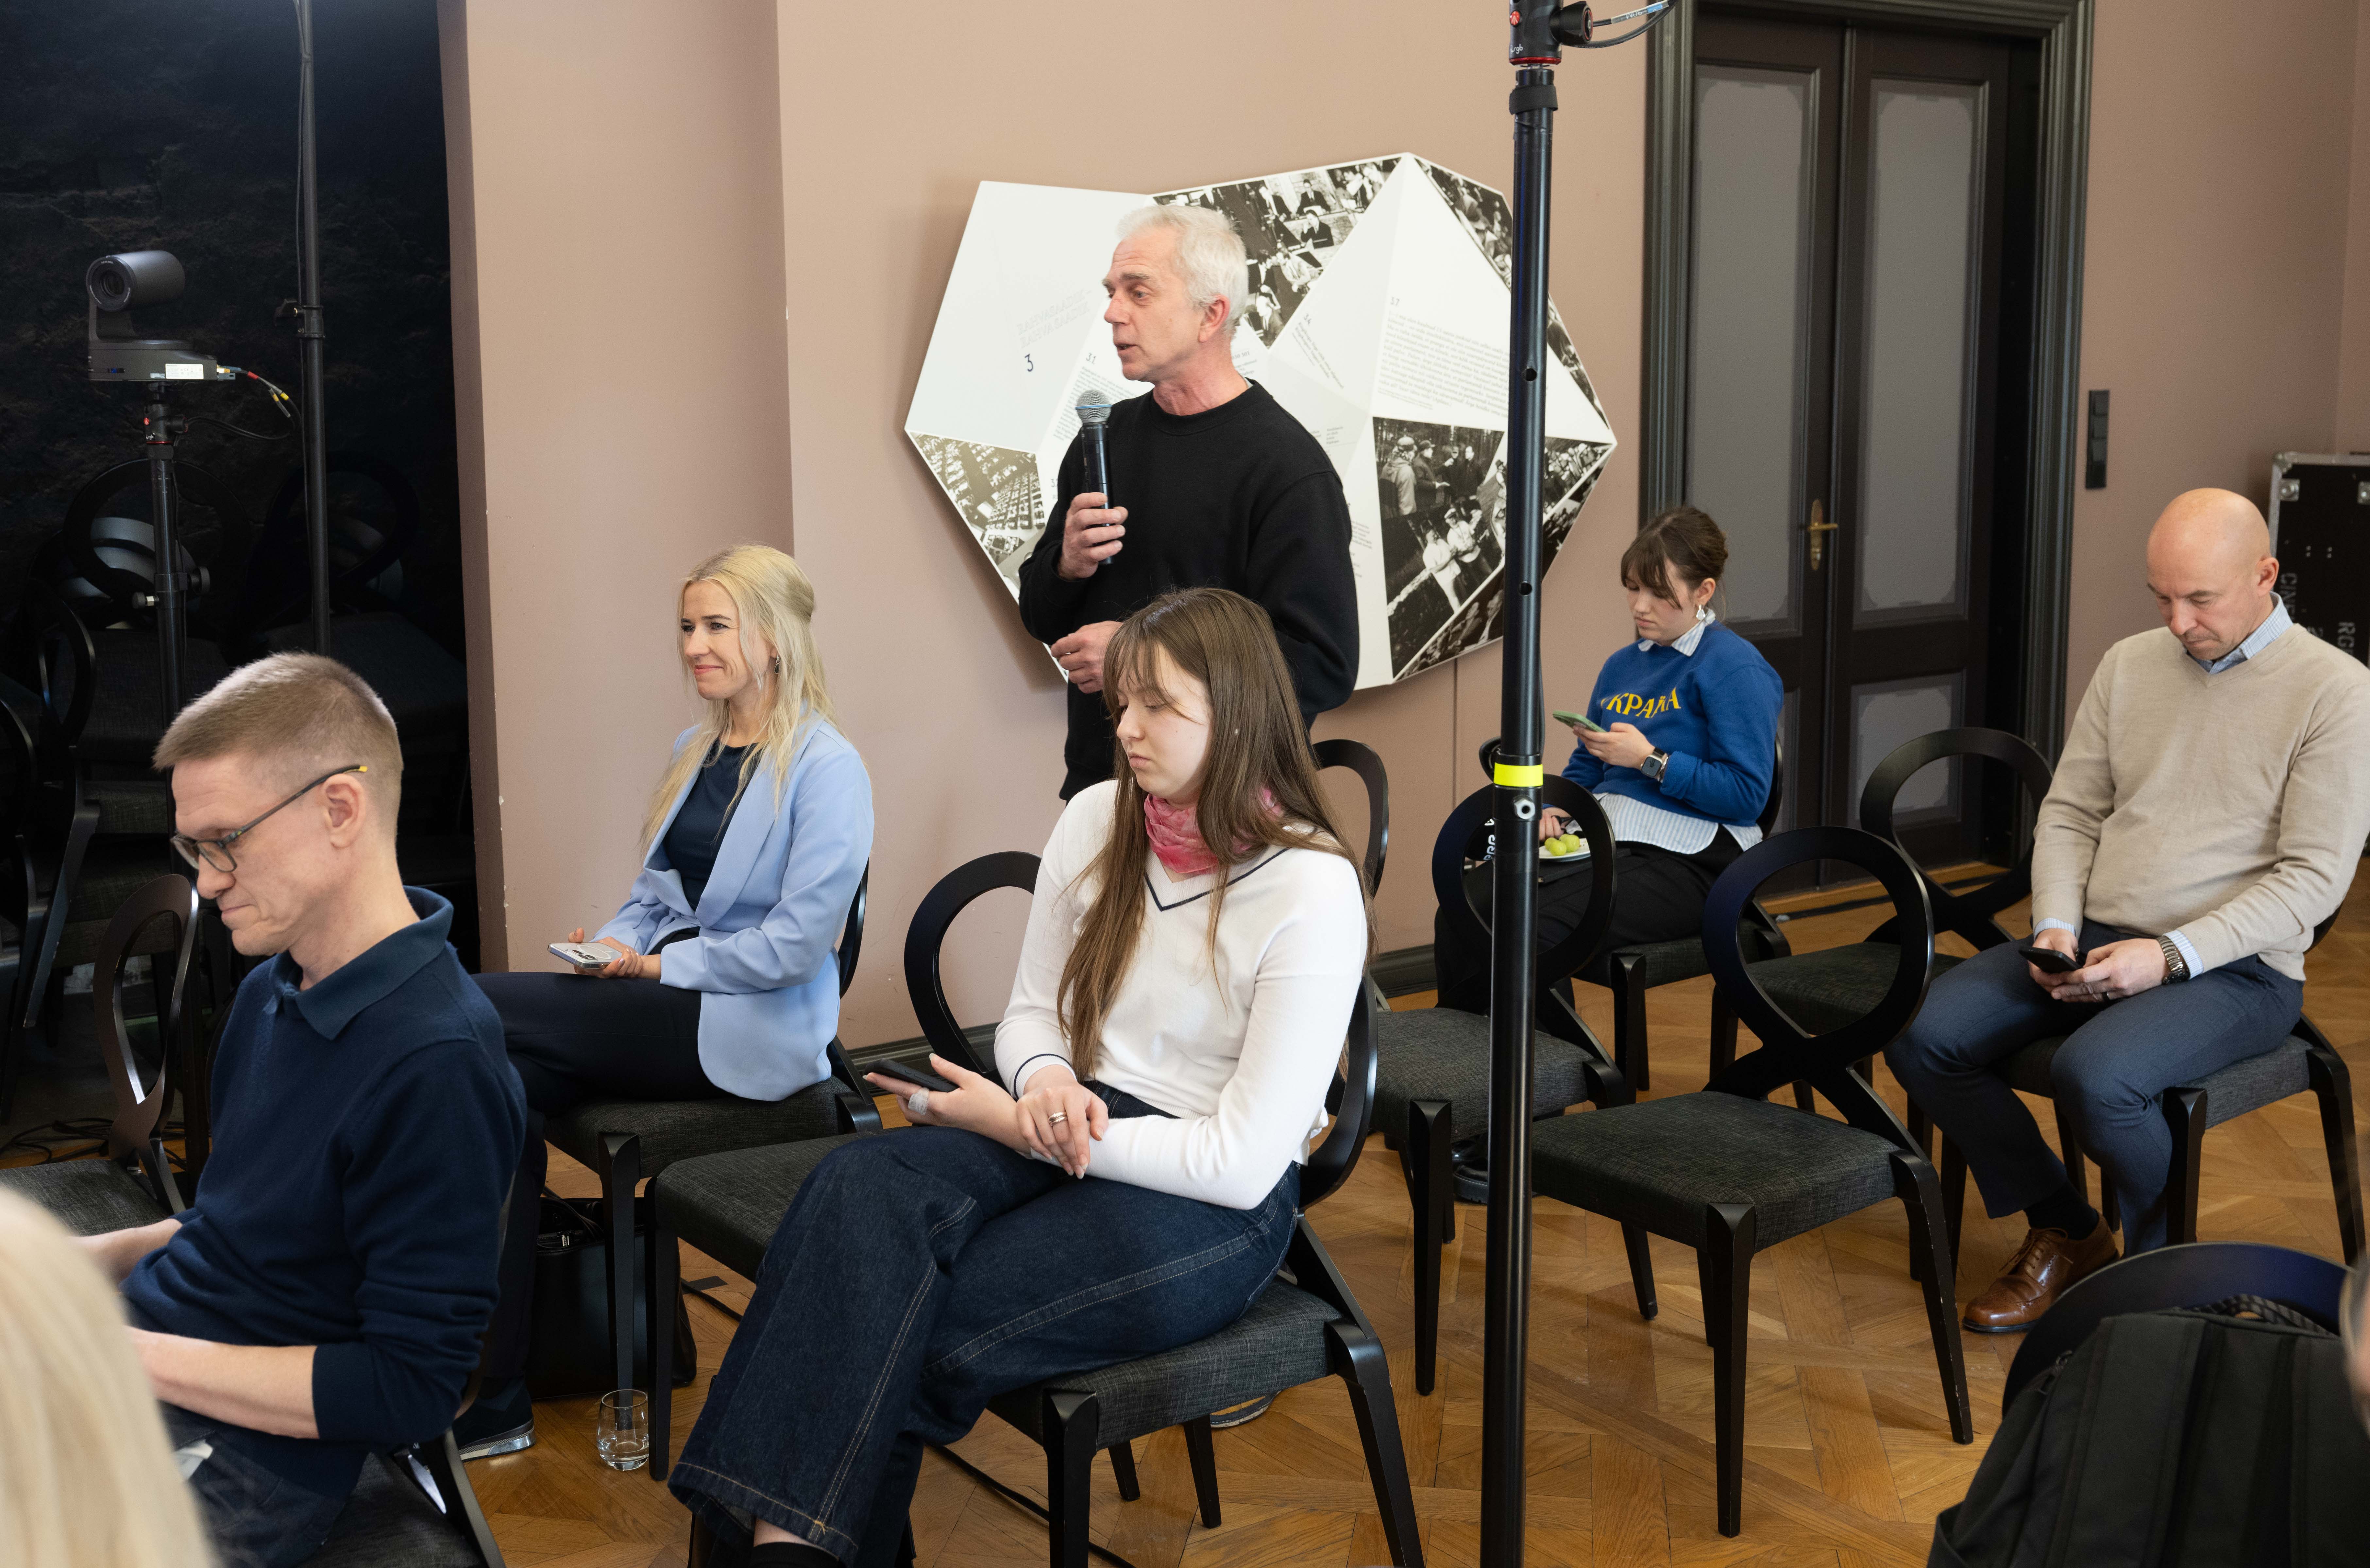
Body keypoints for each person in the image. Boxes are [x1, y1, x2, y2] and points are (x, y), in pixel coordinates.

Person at [668, 588, 1370, 1568]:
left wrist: (1016, 1124)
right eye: (1120, 703)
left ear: (1241, 715)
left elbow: (1242, 1162)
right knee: (855, 1187)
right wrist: (1041, 1084)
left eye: (1157, 706)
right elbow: (1033, 1013)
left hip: (1210, 1202)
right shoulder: (1097, 817)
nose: (1124, 729)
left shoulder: (1311, 884)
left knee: (877, 1330)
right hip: (1067, 1118)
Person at [1888, 489, 2370, 1332]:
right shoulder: (2127, 664)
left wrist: (2170, 954)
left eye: (2199, 599)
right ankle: (2069, 1229)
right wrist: (2056, 924)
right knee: (1922, 1033)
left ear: (2265, 575)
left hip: (2238, 971)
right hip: (2098, 934)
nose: (2177, 622)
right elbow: (2071, 813)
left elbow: (2313, 879)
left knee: (2095, 1077)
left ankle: (2160, 1280)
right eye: (2161, 597)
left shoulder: (2336, 691)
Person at [83, 653, 524, 1568]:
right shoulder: (270, 989)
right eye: (193, 849)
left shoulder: (438, 1064)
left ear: (339, 810)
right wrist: (67, 1266)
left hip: (246, 1458)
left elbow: (409, 1386)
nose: (207, 881)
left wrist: (110, 1349)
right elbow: (238, 1227)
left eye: (225, 840)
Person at [467, 544, 873, 1454]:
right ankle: (495, 1392)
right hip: (669, 1000)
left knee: (466, 1009)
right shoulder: (696, 749)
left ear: (774, 637)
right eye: (688, 625)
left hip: (750, 1023)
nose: (693, 645)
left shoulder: (828, 766)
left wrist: (654, 971)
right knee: (500, 1083)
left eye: (716, 625)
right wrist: (615, 946)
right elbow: (655, 899)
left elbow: (798, 946)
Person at [1018, 203, 1359, 799]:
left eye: (1138, 292)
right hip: (1101, 789)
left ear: (1211, 315)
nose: (1112, 312)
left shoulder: (1287, 468)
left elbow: (1320, 666)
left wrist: (1137, 656)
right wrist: (1065, 565)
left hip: (1226, 805)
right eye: (1111, 292)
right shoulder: (1102, 439)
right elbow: (1041, 618)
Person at [1432, 507, 1782, 1018]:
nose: (1639, 605)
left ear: (1703, 591)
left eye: (1658, 593)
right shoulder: (1622, 665)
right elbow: (1587, 767)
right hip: (1611, 840)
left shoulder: (1734, 666)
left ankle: (1553, 1067)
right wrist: (1555, 809)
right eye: (1632, 588)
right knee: (1461, 909)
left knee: (1527, 930)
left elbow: (1746, 797)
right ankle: (1464, 1059)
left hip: (1696, 861)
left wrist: (1650, 760)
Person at [0, 1190, 216, 1567]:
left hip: (255, 1422)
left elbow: (338, 1389)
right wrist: (85, 1257)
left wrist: (98, 1347)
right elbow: (234, 1217)